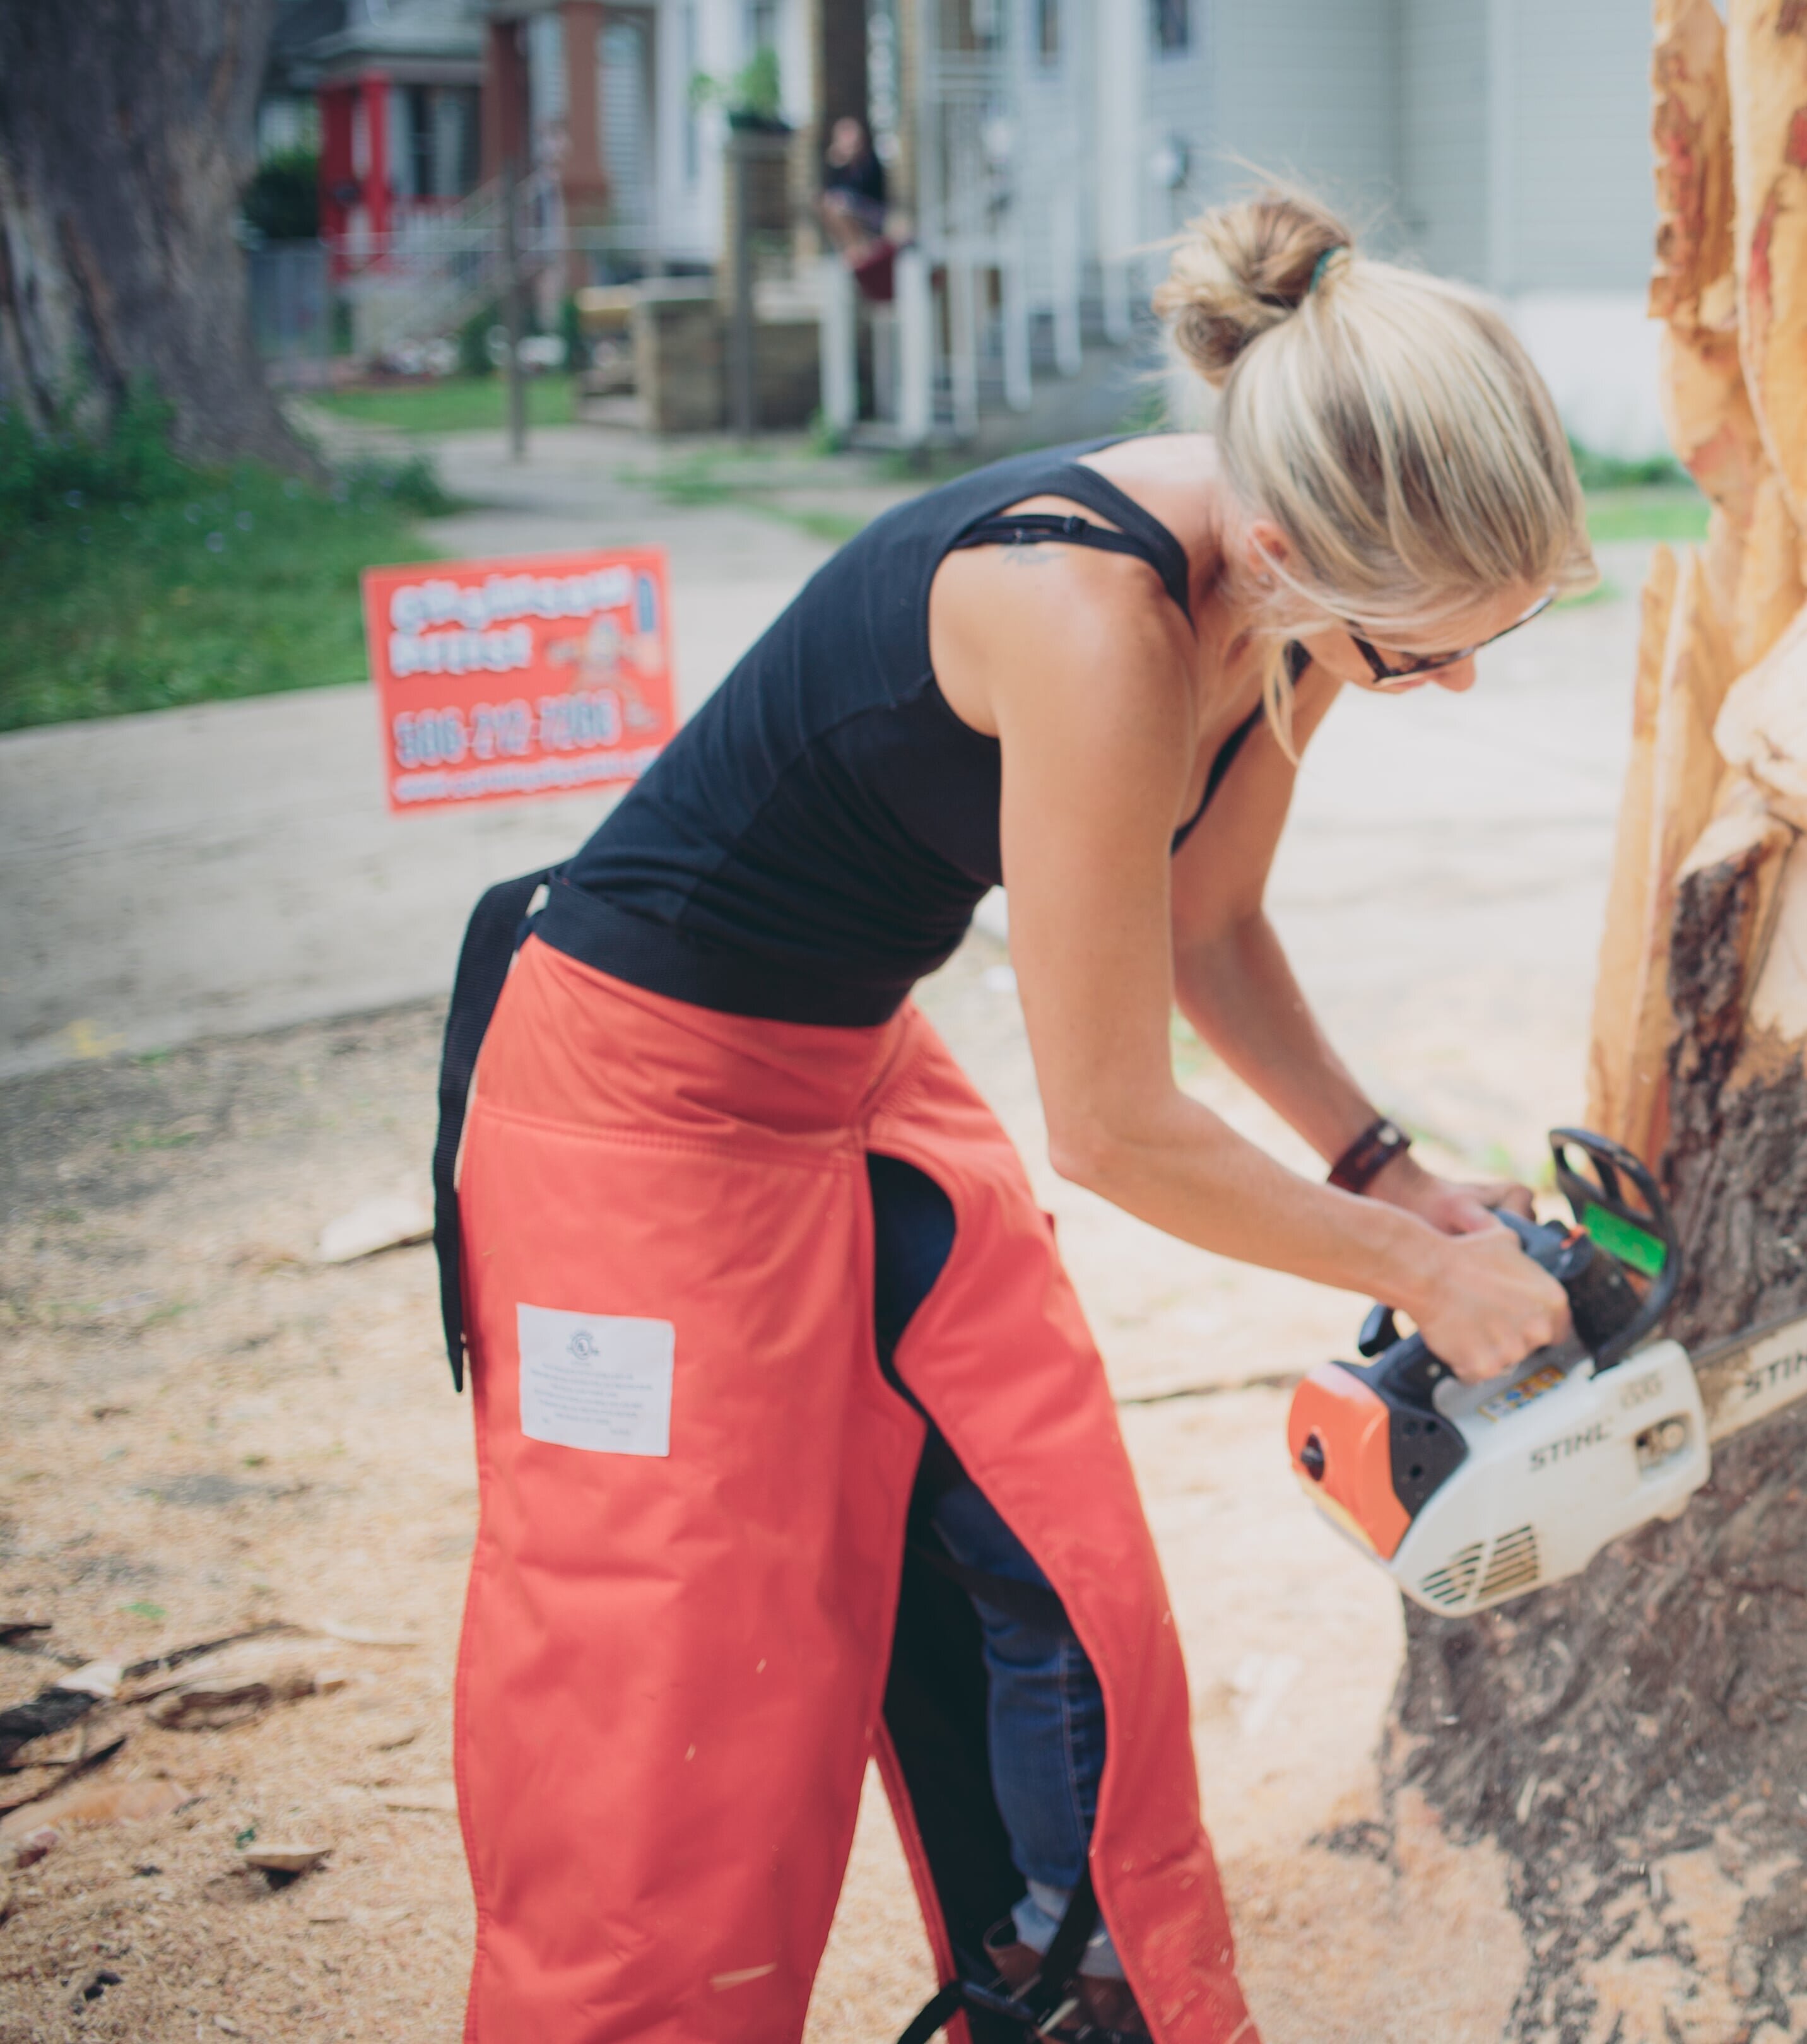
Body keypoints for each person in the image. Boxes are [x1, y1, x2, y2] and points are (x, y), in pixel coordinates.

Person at [427, 188, 1586, 2043]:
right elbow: (1115, 1126)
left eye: (1482, 646)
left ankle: (1064, 1998)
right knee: (674, 1703)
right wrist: (1416, 1282)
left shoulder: (1294, 602)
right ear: (1289, 548)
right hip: (625, 1109)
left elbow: (1203, 918)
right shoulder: (1086, 617)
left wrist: (1392, 1176)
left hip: (849, 1070)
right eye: (1419, 650)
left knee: (1062, 1582)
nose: (1443, 685)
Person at [817, 114, 890, 257]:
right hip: (849, 209)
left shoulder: (870, 162)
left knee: (840, 207)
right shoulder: (836, 164)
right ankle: (848, 247)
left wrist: (853, 162)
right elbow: (829, 191)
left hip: (872, 211)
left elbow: (864, 191)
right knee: (827, 203)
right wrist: (837, 165)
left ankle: (857, 249)